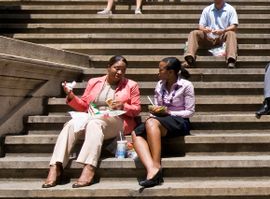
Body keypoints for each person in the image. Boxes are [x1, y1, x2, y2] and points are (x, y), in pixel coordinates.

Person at [42, 55, 141, 188]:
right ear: (108, 67)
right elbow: (84, 106)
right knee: (71, 124)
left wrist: (123, 106)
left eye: (123, 70)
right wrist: (71, 96)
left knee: (95, 122)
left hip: (117, 121)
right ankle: (56, 167)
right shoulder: (94, 82)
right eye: (116, 68)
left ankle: (89, 167)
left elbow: (137, 109)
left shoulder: (131, 85)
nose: (119, 72)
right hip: (92, 118)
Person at [132, 57, 195, 188]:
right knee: (135, 133)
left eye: (160, 69)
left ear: (171, 72)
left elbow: (190, 112)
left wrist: (169, 112)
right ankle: (152, 169)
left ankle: (156, 164)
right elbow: (157, 106)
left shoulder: (186, 85)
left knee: (150, 123)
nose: (158, 72)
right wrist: (155, 110)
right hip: (160, 120)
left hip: (179, 121)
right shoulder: (159, 84)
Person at [184, 0, 238, 69]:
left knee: (231, 33)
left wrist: (223, 30)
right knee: (194, 33)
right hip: (208, 37)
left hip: (222, 37)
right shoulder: (207, 9)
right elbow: (201, 26)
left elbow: (234, 26)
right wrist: (205, 29)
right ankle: (190, 58)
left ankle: (231, 60)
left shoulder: (230, 9)